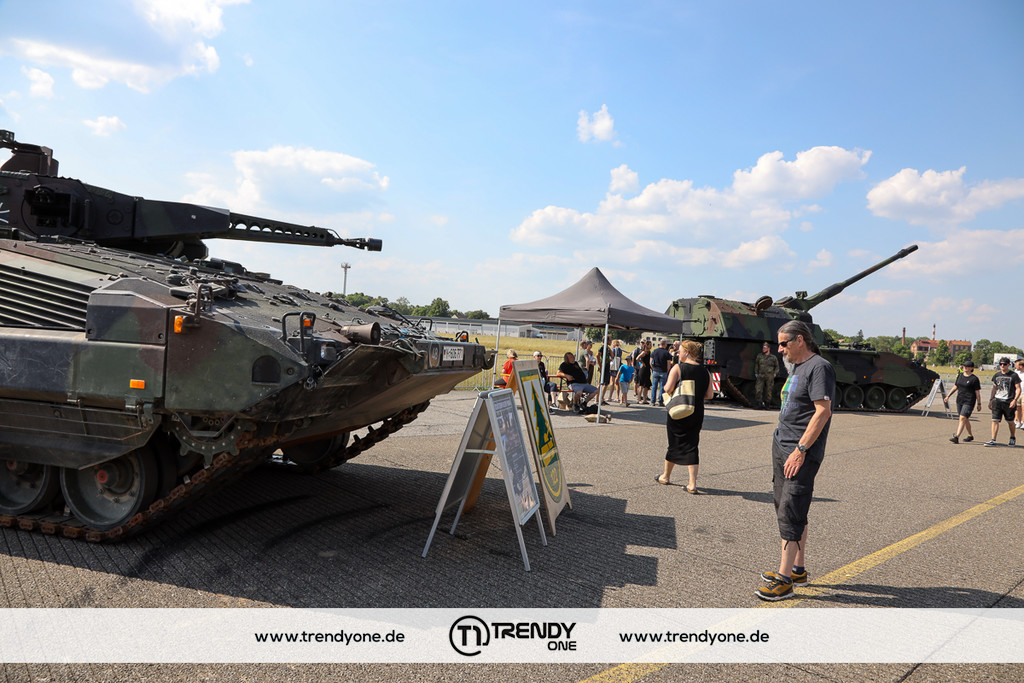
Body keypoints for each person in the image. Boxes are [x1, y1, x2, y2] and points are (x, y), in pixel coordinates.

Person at [757, 320, 835, 601]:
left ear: (800, 340)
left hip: (799, 451)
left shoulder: (819, 367)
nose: (779, 349)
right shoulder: (798, 367)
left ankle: (784, 580)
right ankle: (797, 569)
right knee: (788, 507)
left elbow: (823, 411)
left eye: (784, 344)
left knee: (790, 510)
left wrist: (800, 450)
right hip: (783, 445)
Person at [655, 340, 713, 493]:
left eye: (679, 351)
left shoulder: (678, 368)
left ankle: (666, 476)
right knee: (692, 445)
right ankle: (692, 484)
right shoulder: (705, 371)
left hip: (679, 410)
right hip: (697, 412)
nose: (677, 354)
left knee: (674, 443)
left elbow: (668, 388)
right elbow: (709, 395)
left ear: (687, 352)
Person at [984, 358, 1021, 447]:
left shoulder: (1014, 375)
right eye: (1000, 364)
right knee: (995, 420)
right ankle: (993, 439)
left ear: (1008, 365)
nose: (1002, 366)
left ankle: (1012, 437)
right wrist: (991, 400)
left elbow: (1018, 389)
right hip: (997, 401)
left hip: (1009, 401)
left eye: (1004, 364)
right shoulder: (996, 375)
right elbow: (994, 388)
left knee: (1010, 422)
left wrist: (1014, 400)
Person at [945, 360, 982, 443]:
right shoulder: (960, 376)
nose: (965, 367)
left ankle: (956, 437)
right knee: (965, 418)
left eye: (967, 366)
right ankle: (970, 435)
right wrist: (948, 396)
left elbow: (977, 392)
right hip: (960, 400)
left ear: (971, 368)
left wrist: (979, 403)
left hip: (969, 401)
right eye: (964, 366)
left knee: (962, 418)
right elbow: (955, 386)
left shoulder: (974, 379)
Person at [753, 341, 780, 409]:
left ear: (768, 348)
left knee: (769, 391)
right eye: (763, 348)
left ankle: (767, 404)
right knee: (758, 390)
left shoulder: (773, 357)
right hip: (760, 375)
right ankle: (759, 404)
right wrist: (756, 373)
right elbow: (756, 365)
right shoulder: (759, 356)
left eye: (765, 348)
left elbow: (777, 366)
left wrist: (775, 373)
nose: (763, 349)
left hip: (769, 376)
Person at [650, 339, 672, 407]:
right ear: (665, 344)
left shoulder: (654, 351)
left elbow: (650, 362)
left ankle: (652, 401)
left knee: (654, 386)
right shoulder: (666, 353)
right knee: (662, 387)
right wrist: (668, 370)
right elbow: (669, 363)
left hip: (655, 370)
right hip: (663, 371)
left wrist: (653, 368)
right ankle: (660, 401)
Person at [1015, 359, 1024, 429]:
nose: (1016, 366)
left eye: (1017, 365)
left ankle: (1023, 422)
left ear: (1021, 366)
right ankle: (1018, 421)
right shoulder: (1016, 372)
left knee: (1023, 409)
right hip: (1017, 393)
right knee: (1018, 409)